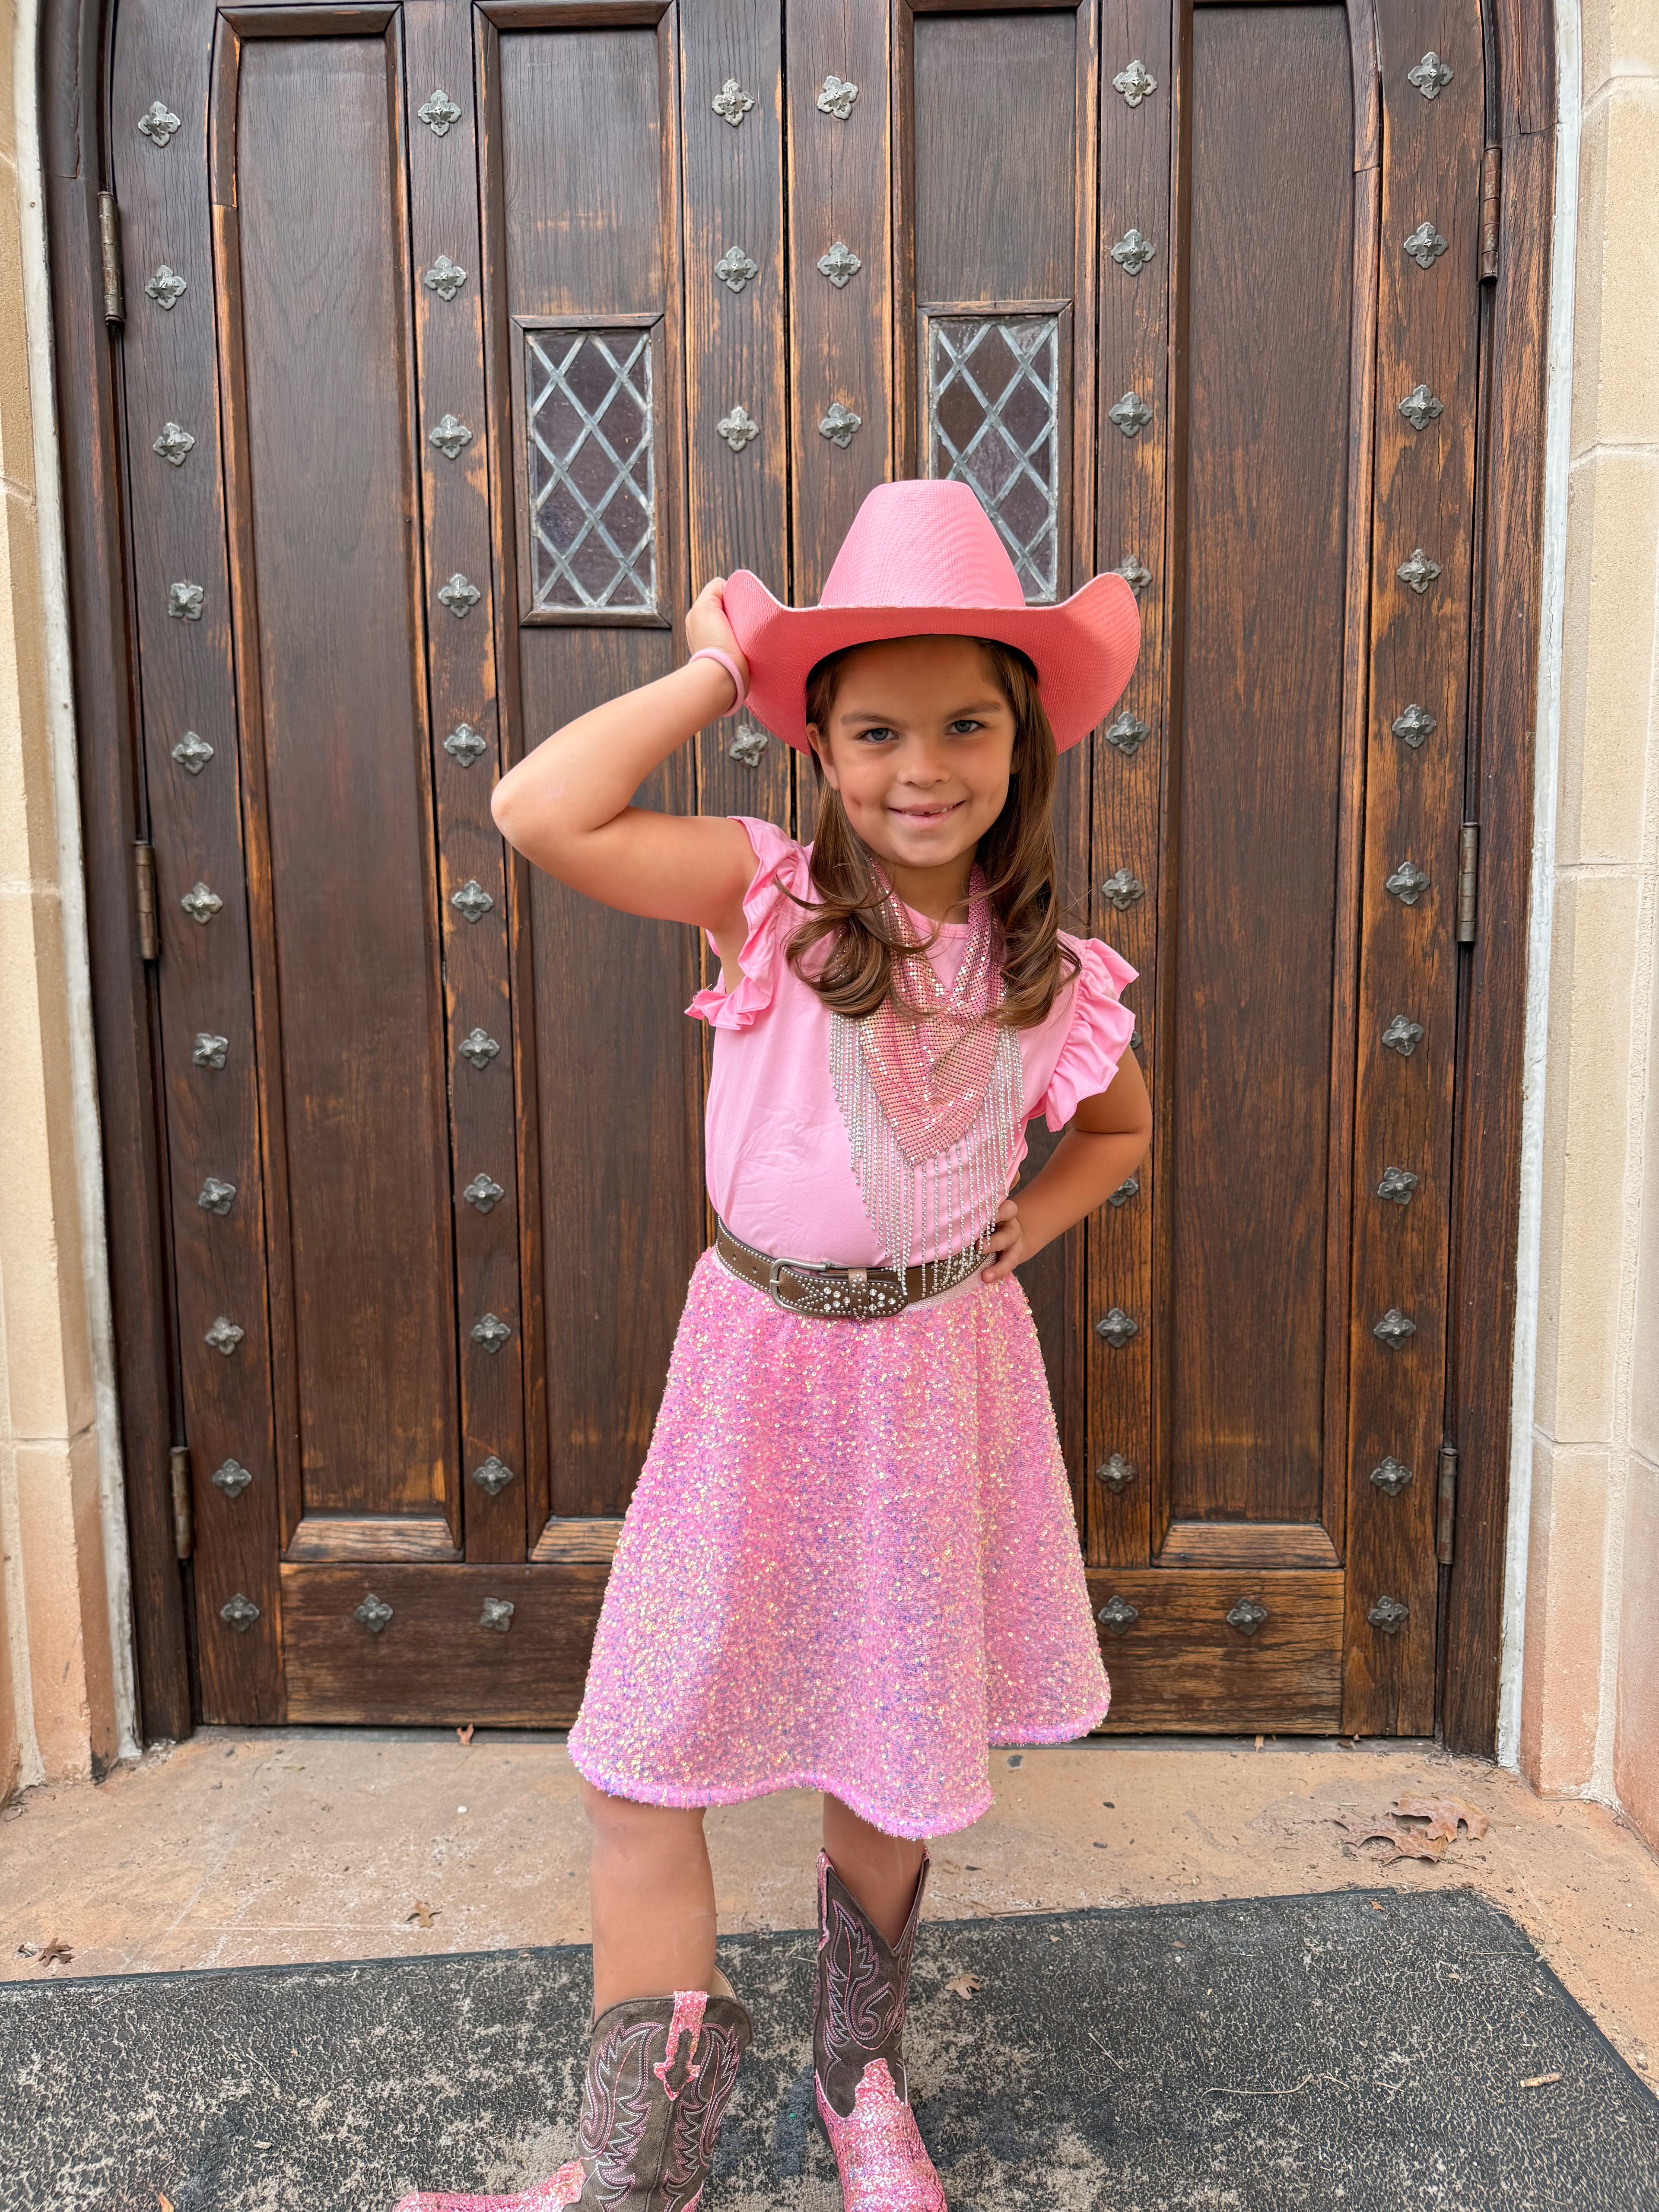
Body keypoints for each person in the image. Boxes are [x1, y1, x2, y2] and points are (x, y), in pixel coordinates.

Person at [395, 479, 1152, 2212]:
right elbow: (539, 806)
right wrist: (715, 669)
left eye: (967, 722)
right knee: (640, 1758)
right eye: (874, 725)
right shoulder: (763, 895)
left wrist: (1011, 1232)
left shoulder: (1043, 964)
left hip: (928, 1385)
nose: (921, 765)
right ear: (817, 738)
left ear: (1023, 738)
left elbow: (1114, 1133)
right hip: (754, 1377)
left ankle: (859, 2078)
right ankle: (637, 2169)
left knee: (889, 1749)